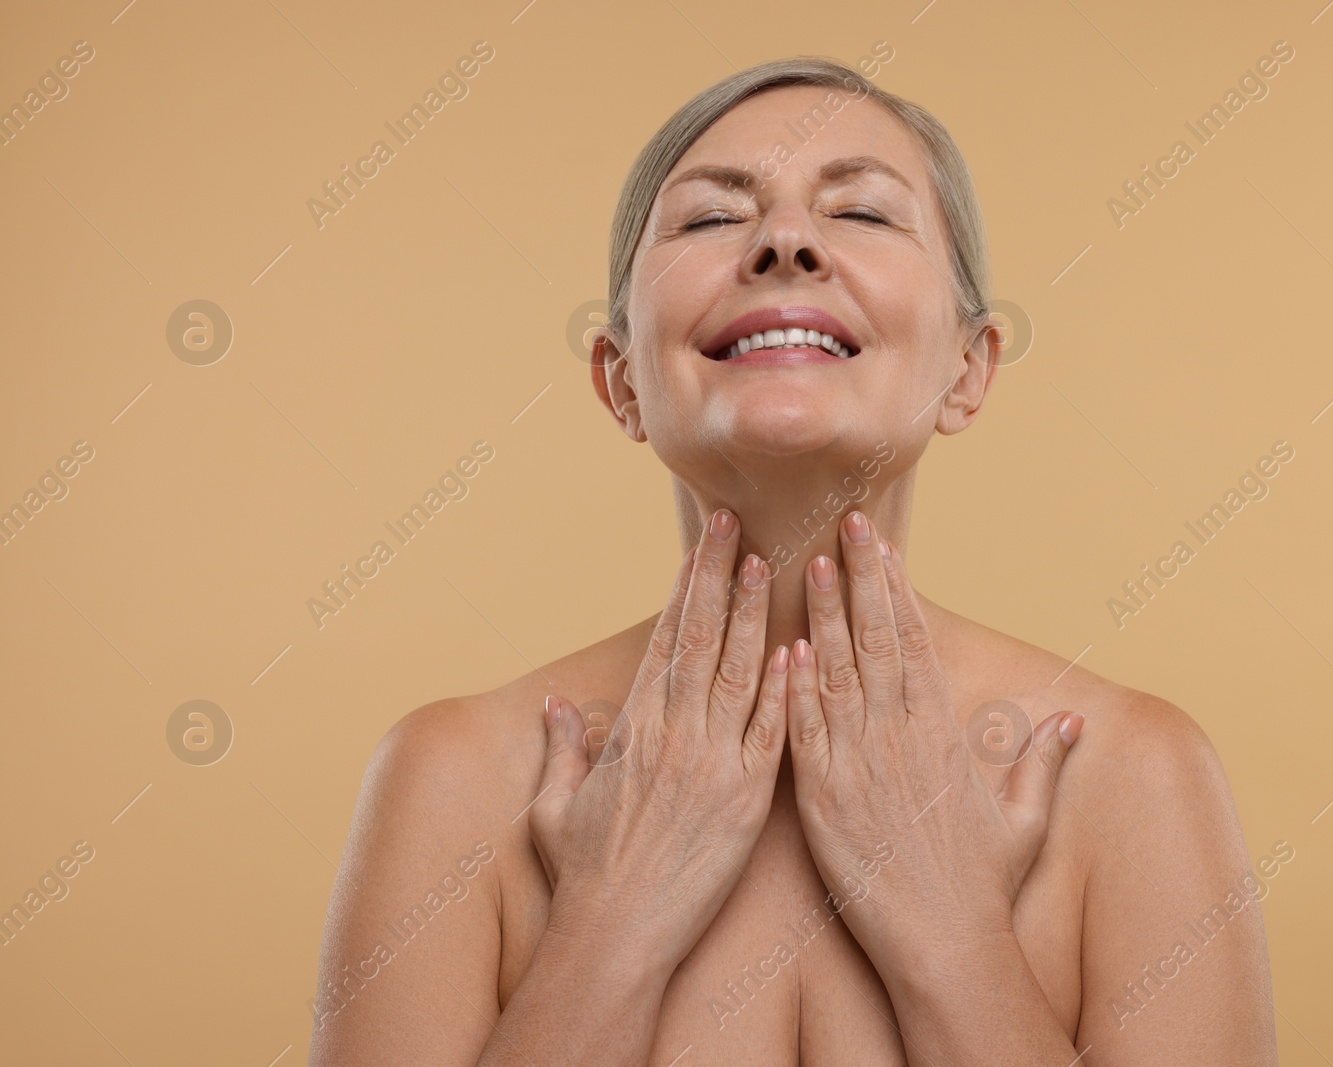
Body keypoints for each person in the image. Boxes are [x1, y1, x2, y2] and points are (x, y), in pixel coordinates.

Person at [309, 56, 1278, 1066]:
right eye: (707, 218)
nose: (784, 240)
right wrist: (607, 920)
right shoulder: (455, 781)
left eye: (860, 212)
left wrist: (954, 938)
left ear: (967, 365)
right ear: (621, 379)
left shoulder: (1129, 779)